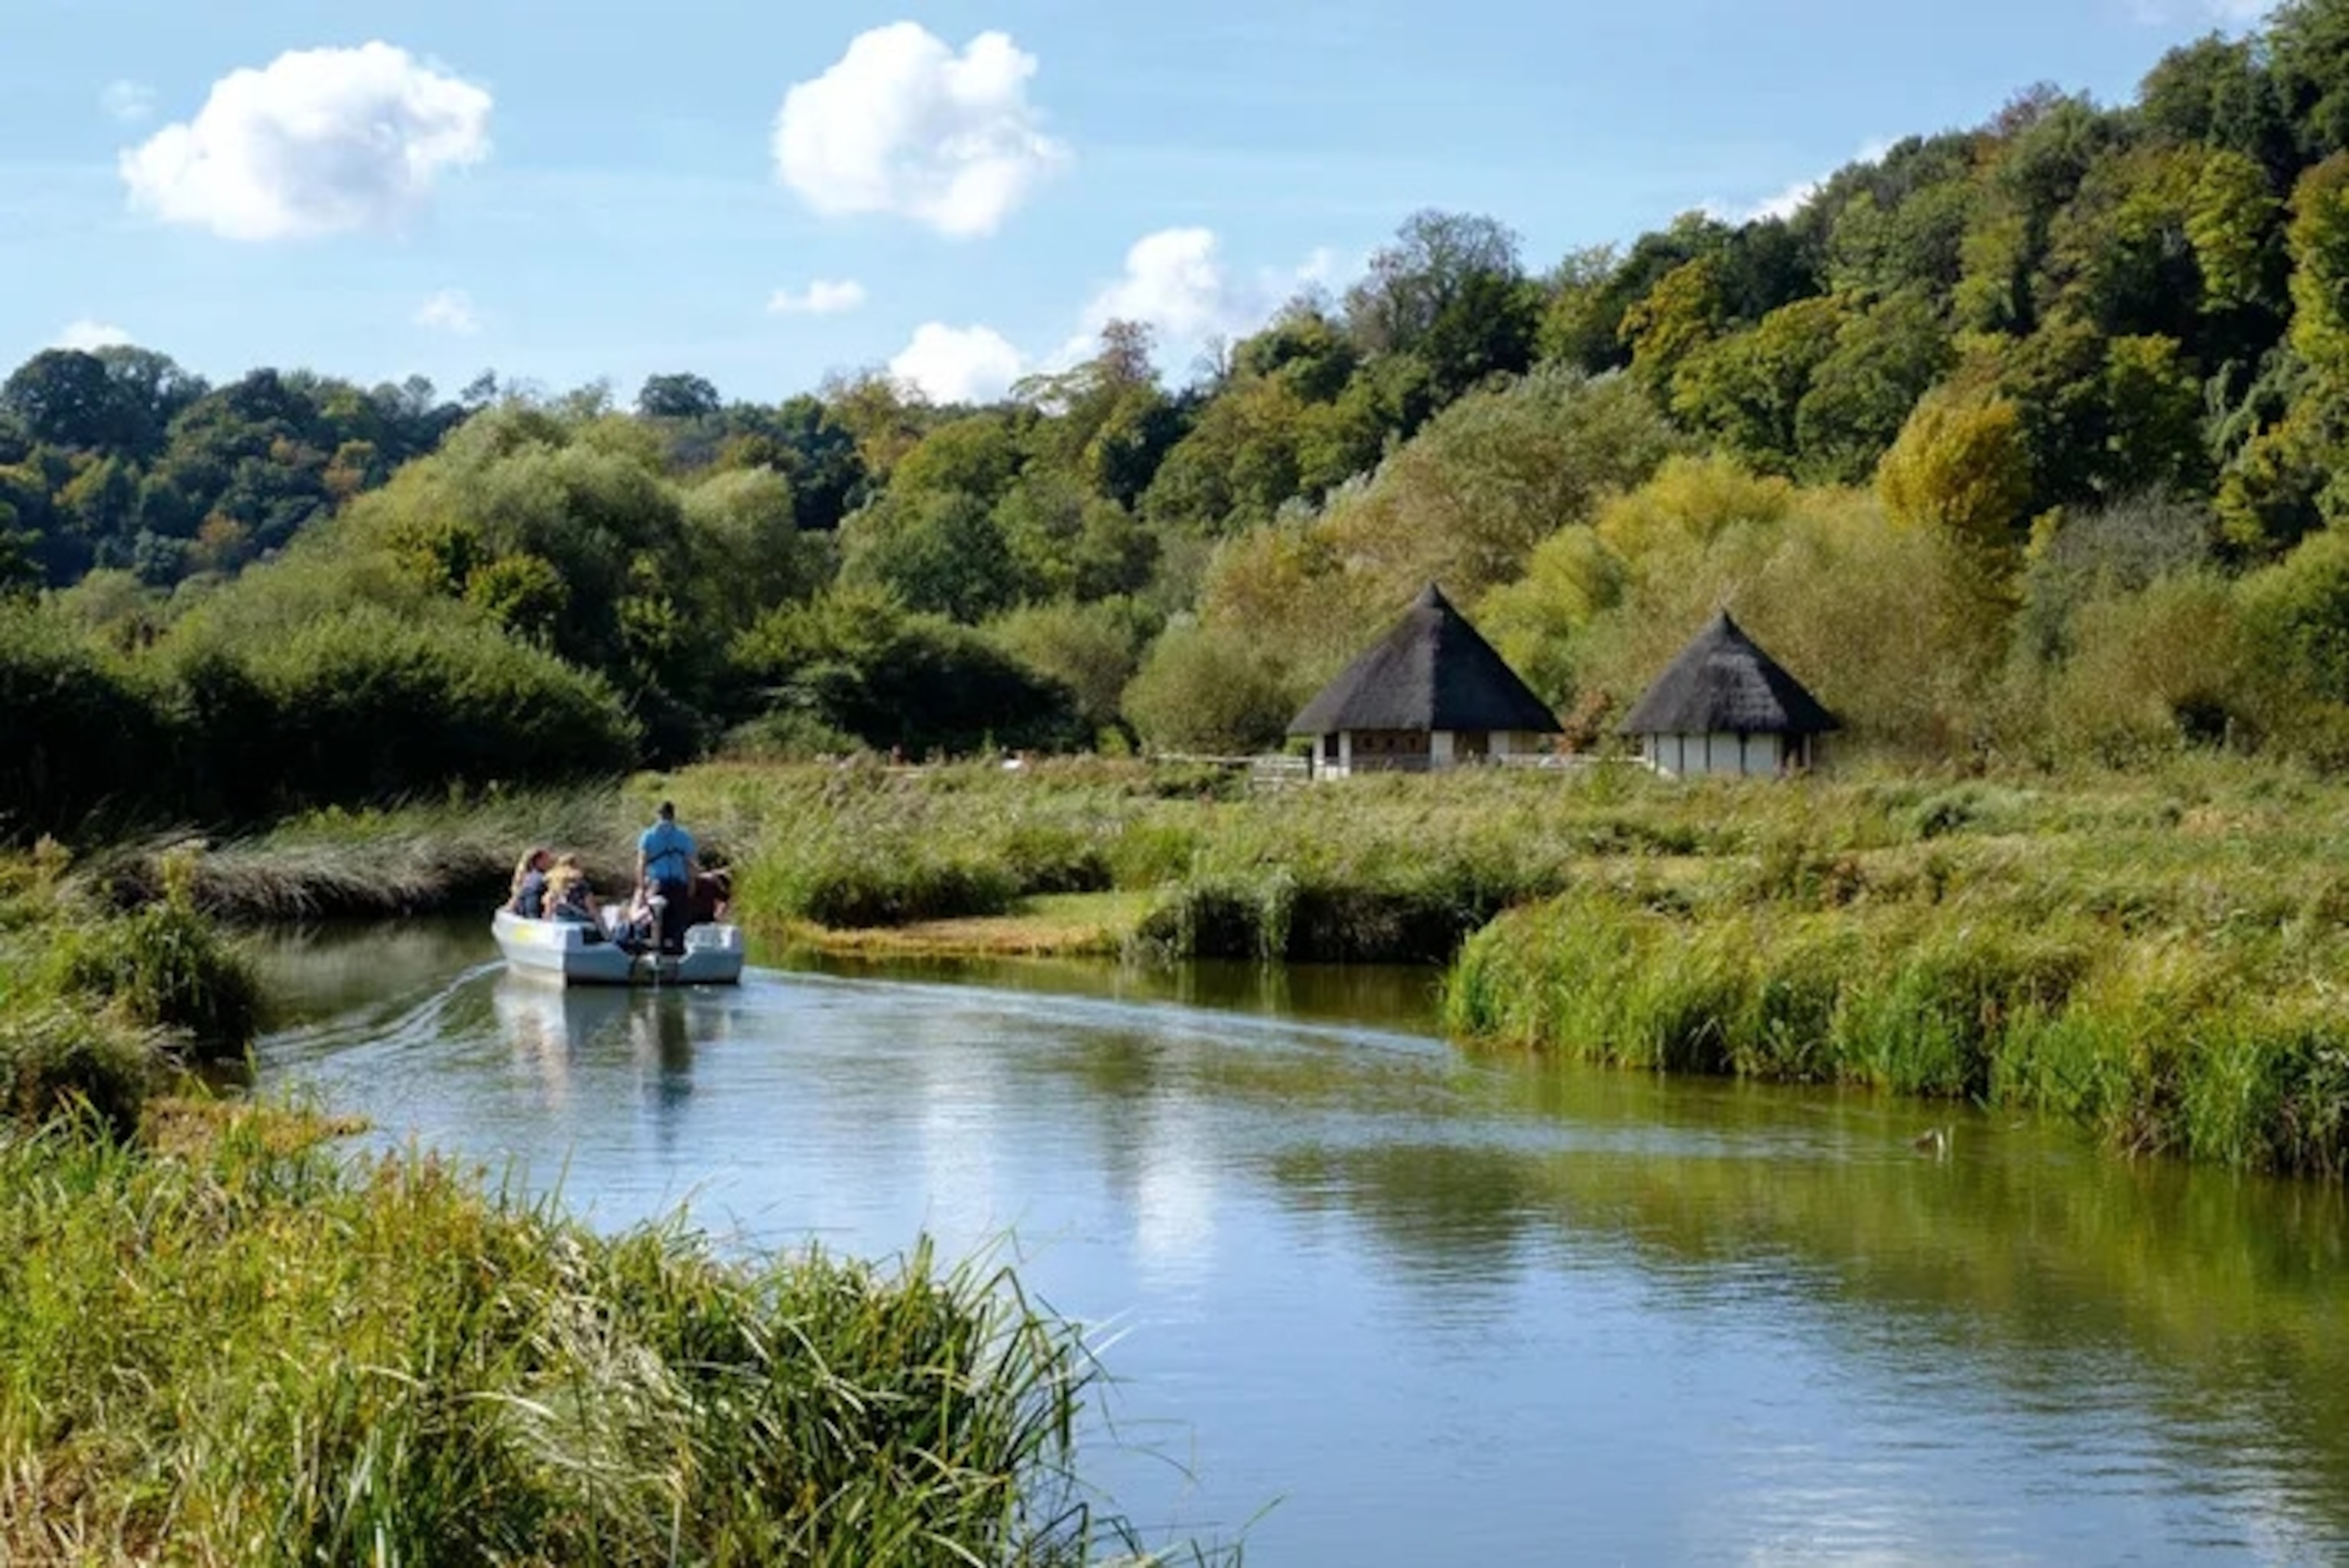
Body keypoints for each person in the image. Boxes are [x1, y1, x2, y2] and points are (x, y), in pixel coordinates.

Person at [636, 800, 697, 953]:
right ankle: (677, 954)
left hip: (657, 885)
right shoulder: (684, 836)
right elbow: (690, 864)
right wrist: (692, 885)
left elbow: (641, 864)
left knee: (655, 921)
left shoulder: (648, 835)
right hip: (678, 885)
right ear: (673, 815)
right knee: (679, 923)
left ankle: (656, 950)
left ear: (658, 815)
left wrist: (641, 888)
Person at [546, 854, 604, 937]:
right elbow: (593, 910)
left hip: (558, 924)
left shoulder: (554, 884)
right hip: (579, 927)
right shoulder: (581, 884)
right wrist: (604, 930)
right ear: (575, 865)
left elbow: (549, 911)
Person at [505, 847, 552, 918]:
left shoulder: (530, 877)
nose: (550, 861)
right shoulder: (539, 879)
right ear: (538, 861)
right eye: (546, 859)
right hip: (533, 916)